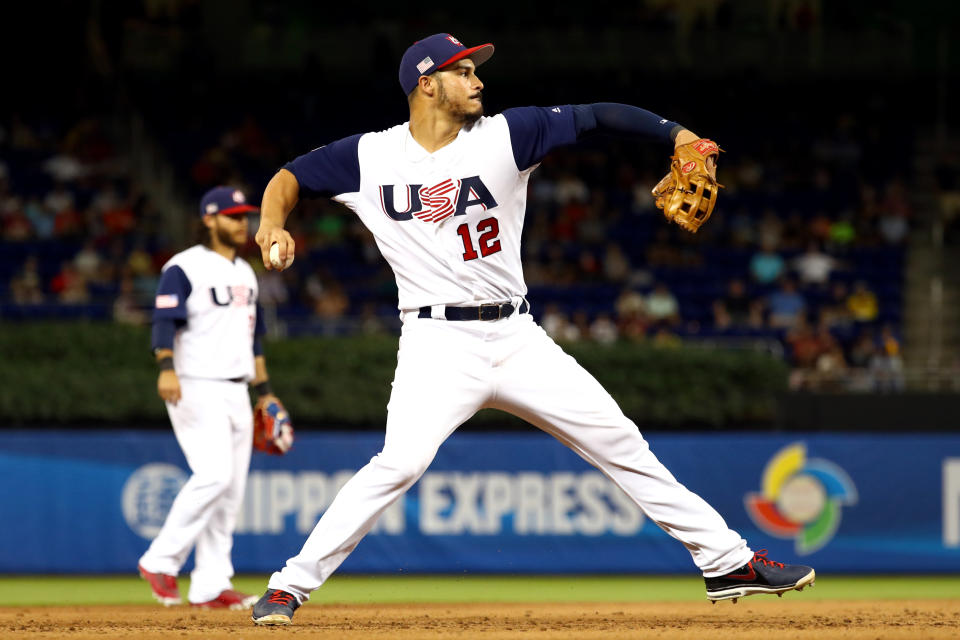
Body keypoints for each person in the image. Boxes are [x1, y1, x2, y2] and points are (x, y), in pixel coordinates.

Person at [250, 34, 814, 626]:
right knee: (399, 464)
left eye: (475, 71)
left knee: (620, 441)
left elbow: (597, 116)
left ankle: (725, 560)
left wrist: (678, 135)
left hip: (517, 337)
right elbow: (289, 177)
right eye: (462, 71)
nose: (478, 81)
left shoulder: (506, 135)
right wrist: (270, 224)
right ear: (426, 84)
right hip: (436, 344)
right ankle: (289, 586)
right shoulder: (370, 156)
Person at [137, 186, 277, 610]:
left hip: (237, 388)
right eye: (232, 216)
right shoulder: (183, 267)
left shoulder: (247, 273)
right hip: (195, 382)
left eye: (244, 215)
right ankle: (161, 559)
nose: (242, 222)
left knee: (230, 491)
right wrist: (166, 368)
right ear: (209, 219)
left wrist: (267, 395)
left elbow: (255, 341)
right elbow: (164, 320)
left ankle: (211, 584)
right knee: (214, 475)